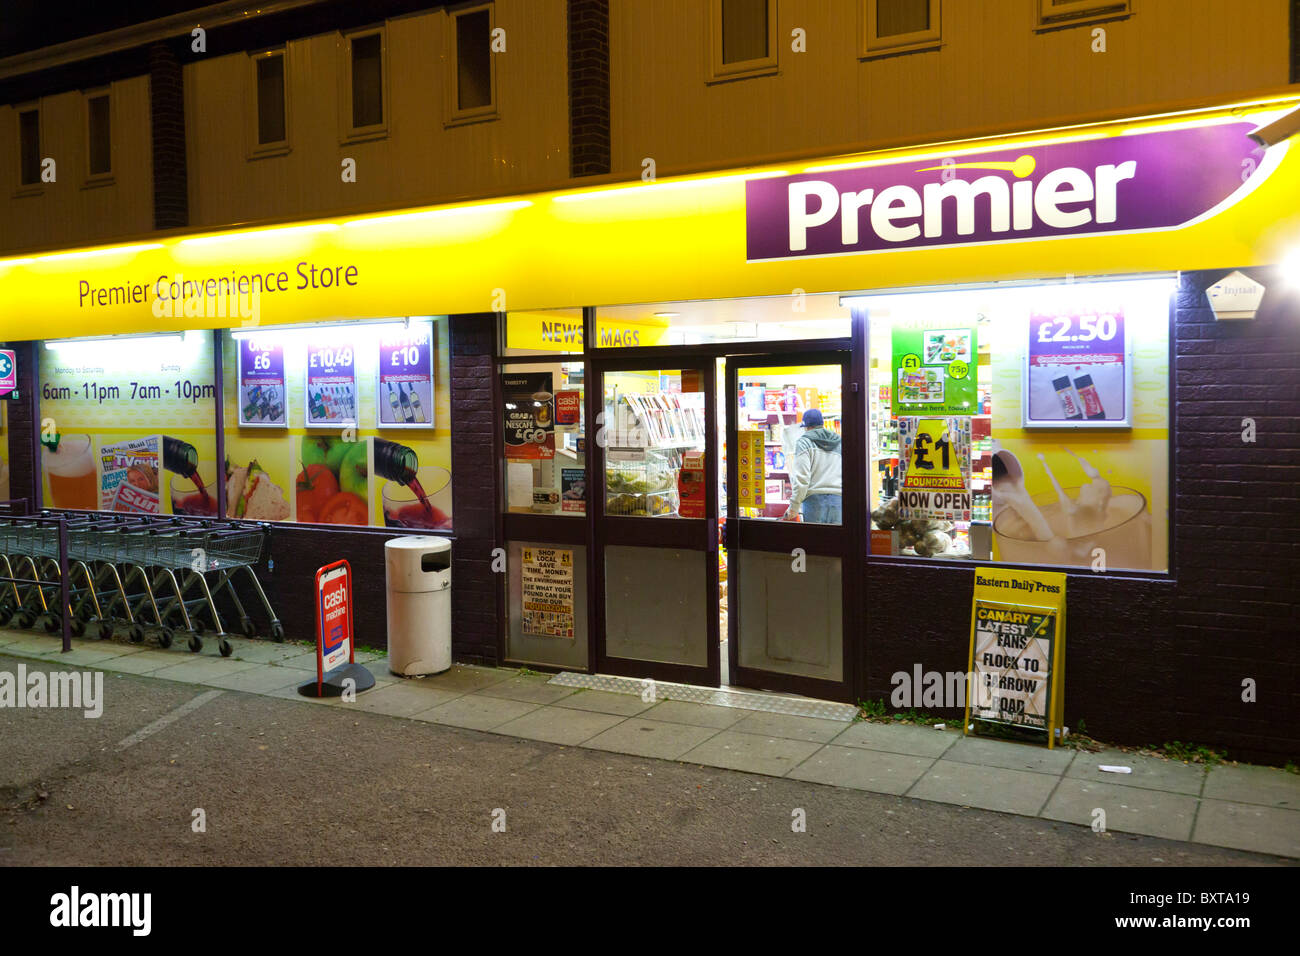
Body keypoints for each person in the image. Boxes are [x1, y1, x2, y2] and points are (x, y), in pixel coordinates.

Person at [782, 409, 842, 524]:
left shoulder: (804, 442)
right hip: (838, 501)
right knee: (836, 541)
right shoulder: (839, 442)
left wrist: (794, 506)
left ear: (806, 427)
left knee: (815, 541)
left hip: (815, 502)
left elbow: (802, 479)